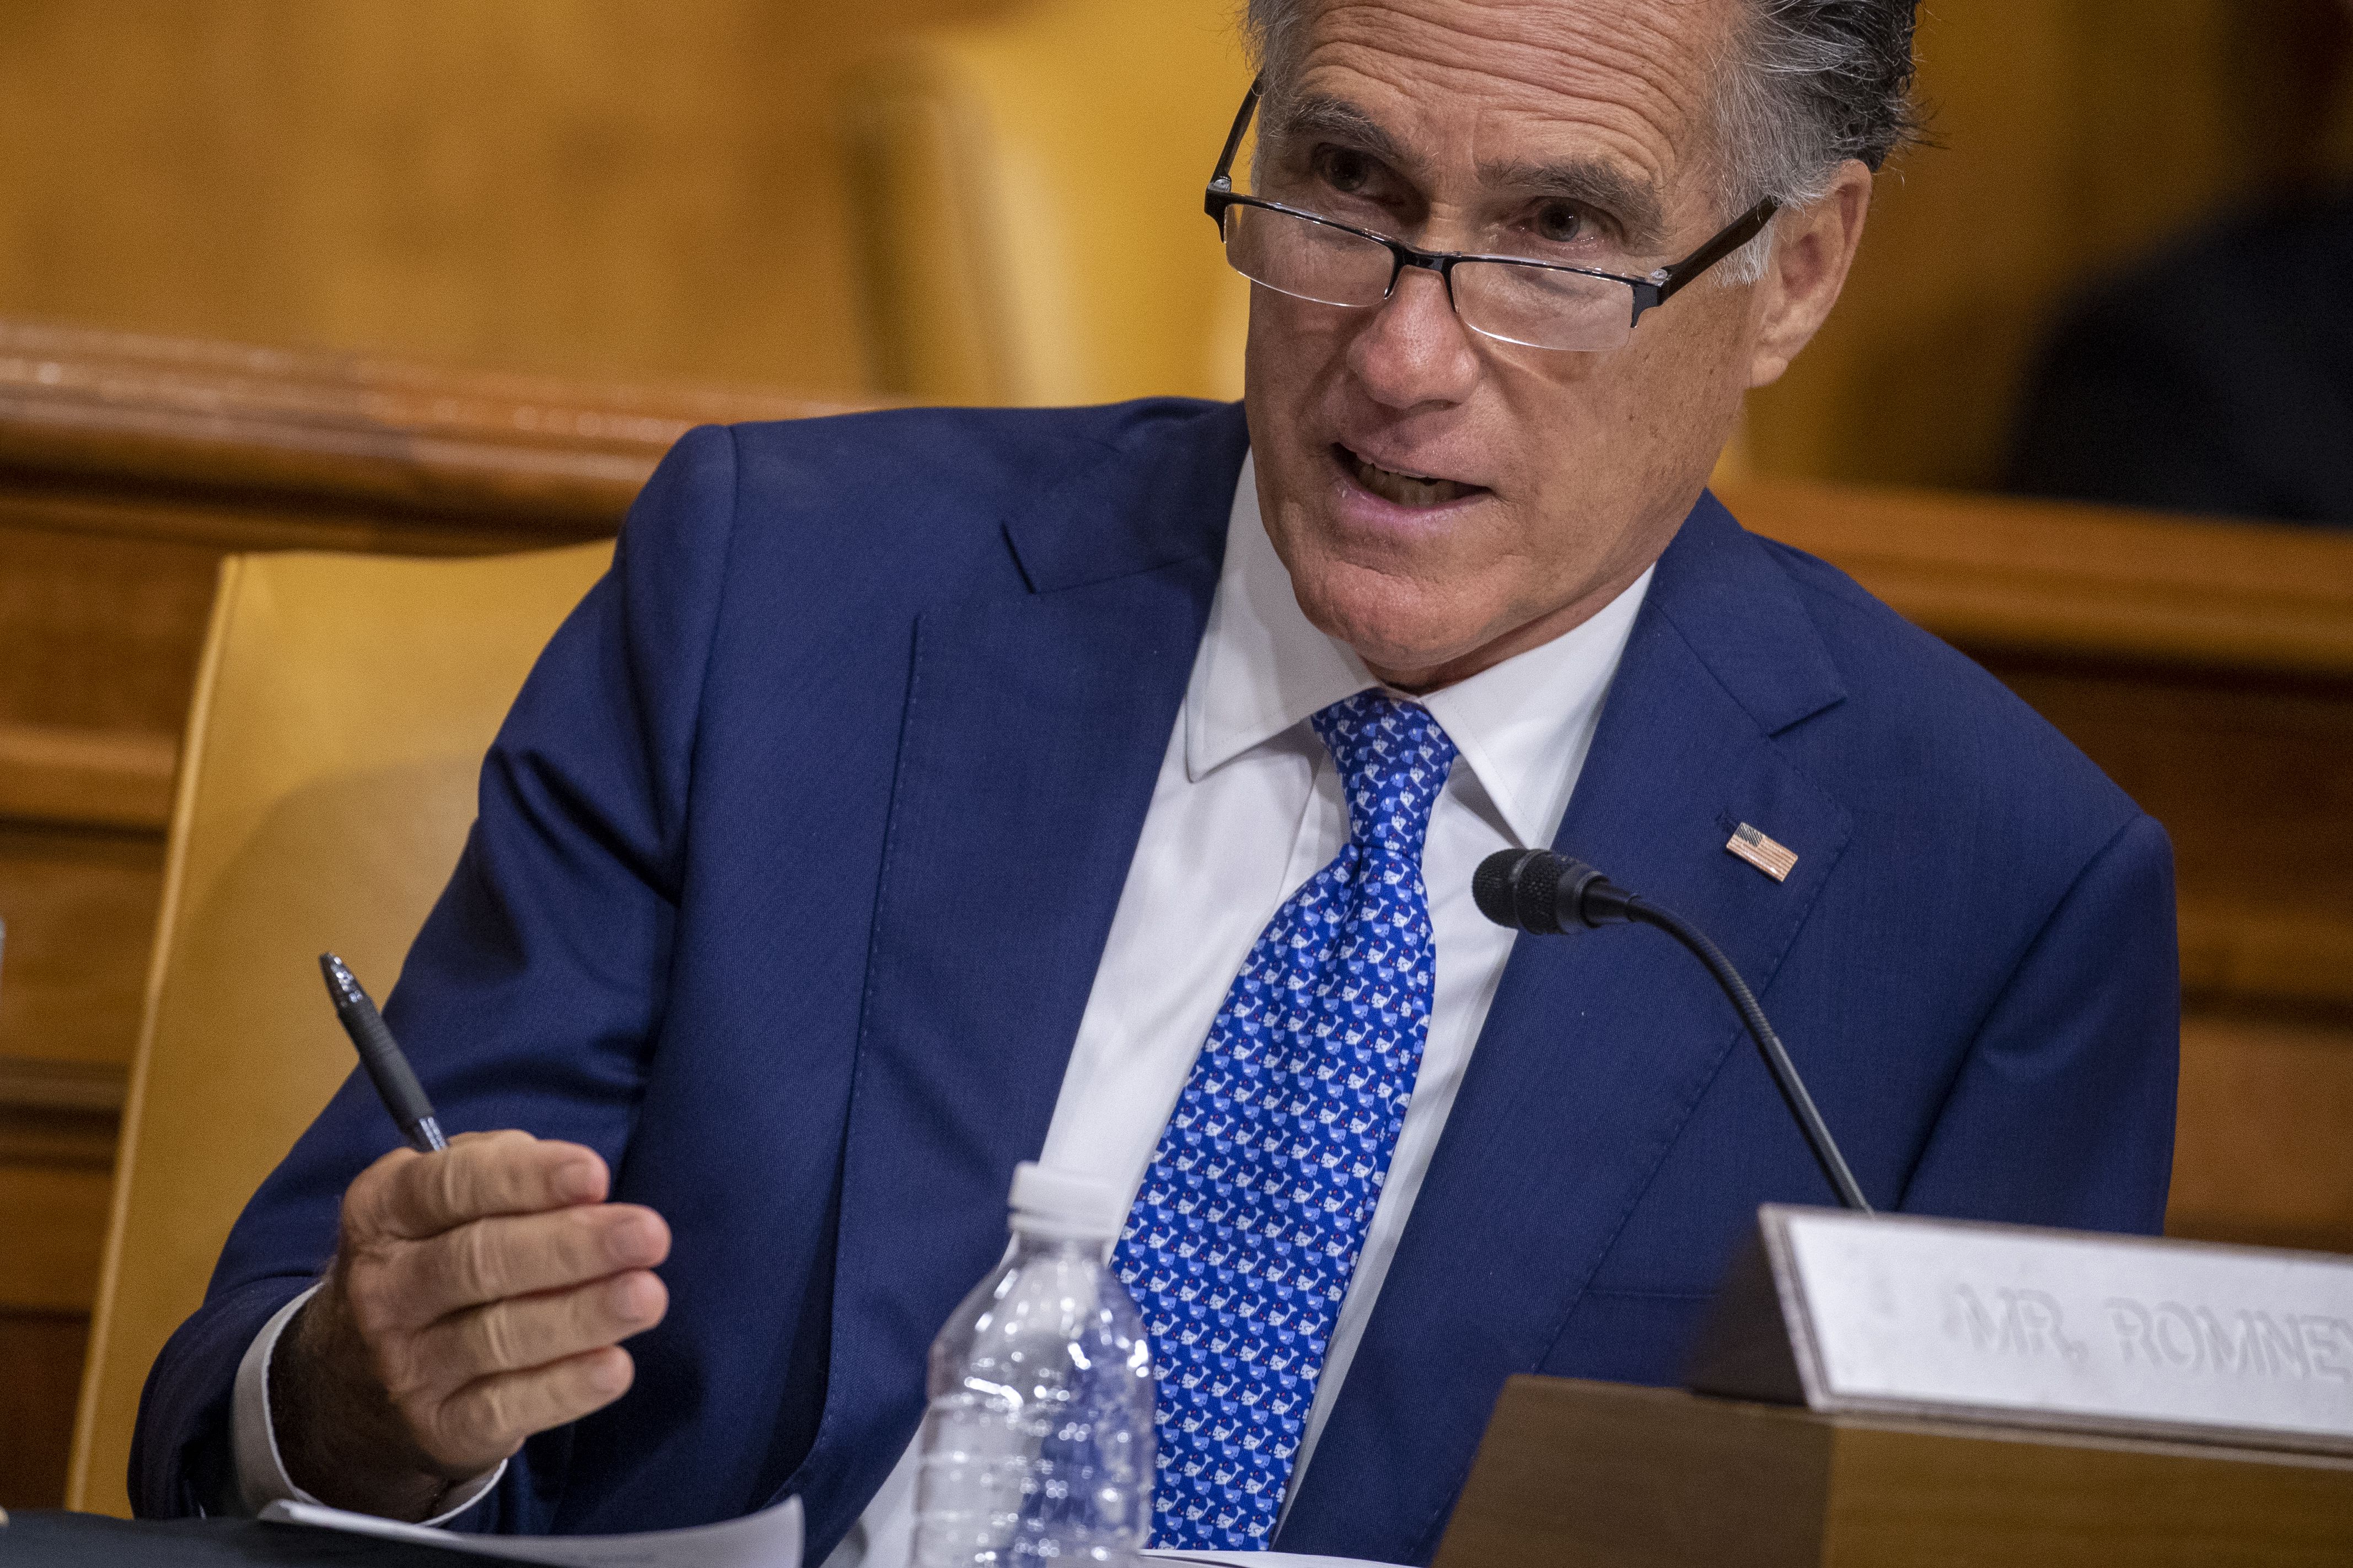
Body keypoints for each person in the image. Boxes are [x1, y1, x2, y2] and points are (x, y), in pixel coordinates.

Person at [133, 1, 2179, 1563]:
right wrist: (372, 1397)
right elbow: (246, 1405)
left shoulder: (1986, 897)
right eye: (1344, 191)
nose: (1398, 355)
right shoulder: (792, 601)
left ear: (1795, 274)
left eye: (1557, 238)